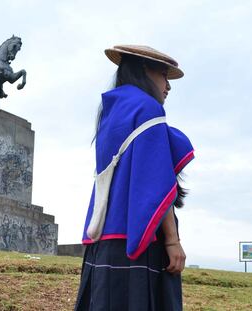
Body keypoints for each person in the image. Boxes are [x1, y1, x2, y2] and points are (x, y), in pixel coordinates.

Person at [75, 45, 195, 311]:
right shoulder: (147, 109)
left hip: (103, 241)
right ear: (144, 69)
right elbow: (155, 185)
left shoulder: (111, 112)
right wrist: (173, 241)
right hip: (139, 241)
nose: (168, 86)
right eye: (164, 75)